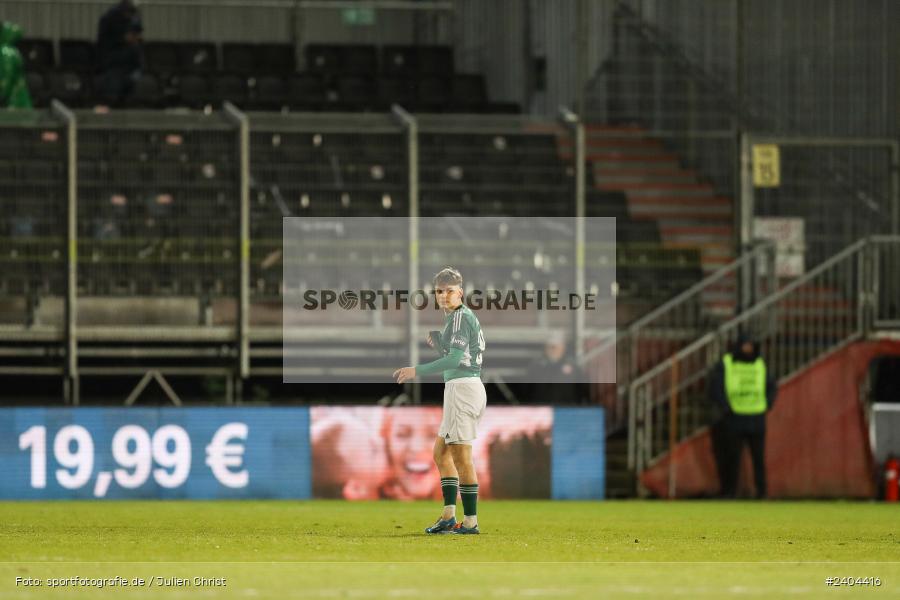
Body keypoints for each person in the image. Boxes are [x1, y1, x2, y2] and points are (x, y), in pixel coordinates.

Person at [393, 266, 487, 534]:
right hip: (461, 387)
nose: (444, 295)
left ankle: (470, 521)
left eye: (449, 290)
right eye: (439, 291)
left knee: (461, 456)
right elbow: (464, 352)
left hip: (463, 388)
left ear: (460, 291)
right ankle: (448, 516)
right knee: (441, 452)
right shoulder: (460, 318)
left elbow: (456, 361)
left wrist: (416, 371)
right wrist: (441, 344)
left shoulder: (459, 317)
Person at [708, 334, 777, 498]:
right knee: (732, 459)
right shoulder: (727, 363)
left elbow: (771, 386)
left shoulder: (760, 364)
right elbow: (716, 387)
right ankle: (730, 492)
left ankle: (762, 493)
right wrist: (726, 407)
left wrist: (767, 404)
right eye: (745, 345)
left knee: (758, 459)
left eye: (750, 345)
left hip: (756, 418)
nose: (748, 348)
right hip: (735, 417)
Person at [96, 0, 143, 106]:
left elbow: (138, 34)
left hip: (131, 62)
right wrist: (123, 39)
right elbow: (103, 43)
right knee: (114, 82)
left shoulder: (134, 15)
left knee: (136, 81)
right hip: (113, 61)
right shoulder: (109, 18)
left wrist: (135, 38)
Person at [526, 331, 588, 404]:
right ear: (545, 348)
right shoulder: (536, 366)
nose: (553, 350)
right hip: (542, 407)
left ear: (563, 348)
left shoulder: (573, 367)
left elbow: (580, 388)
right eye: (550, 346)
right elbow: (528, 387)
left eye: (556, 346)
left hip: (567, 407)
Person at [0, 21, 32, 109]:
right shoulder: (11, 51)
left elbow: (6, 79)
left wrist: (2, 95)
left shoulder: (6, 53)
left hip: (14, 101)